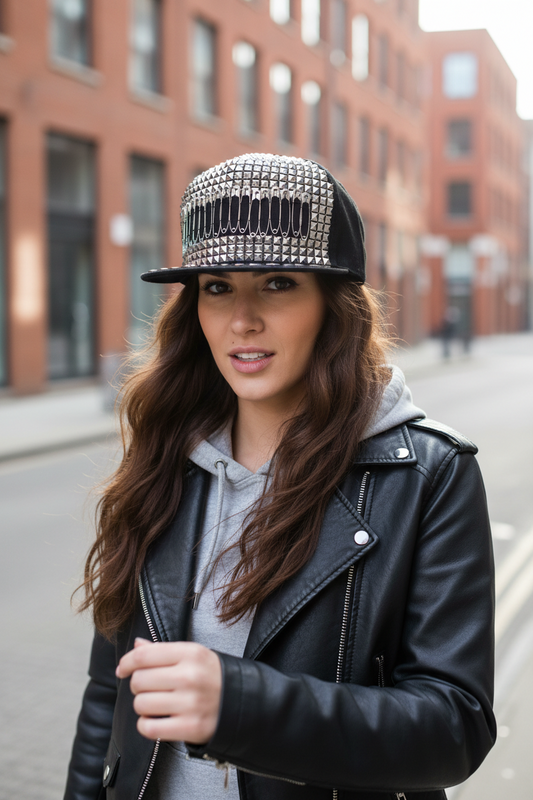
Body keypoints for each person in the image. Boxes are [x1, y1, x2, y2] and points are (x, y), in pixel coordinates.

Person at [64, 153, 496, 800]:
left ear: (332, 303)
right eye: (216, 286)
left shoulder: (429, 475)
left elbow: (452, 728)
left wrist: (239, 706)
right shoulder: (162, 459)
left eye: (276, 283)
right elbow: (111, 696)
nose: (242, 318)